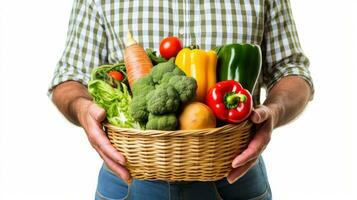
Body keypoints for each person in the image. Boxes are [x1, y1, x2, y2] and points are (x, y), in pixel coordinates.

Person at [49, 0, 314, 199]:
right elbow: (69, 77)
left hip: (235, 177)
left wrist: (274, 112)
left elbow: (292, 70)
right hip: (129, 180)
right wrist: (82, 109)